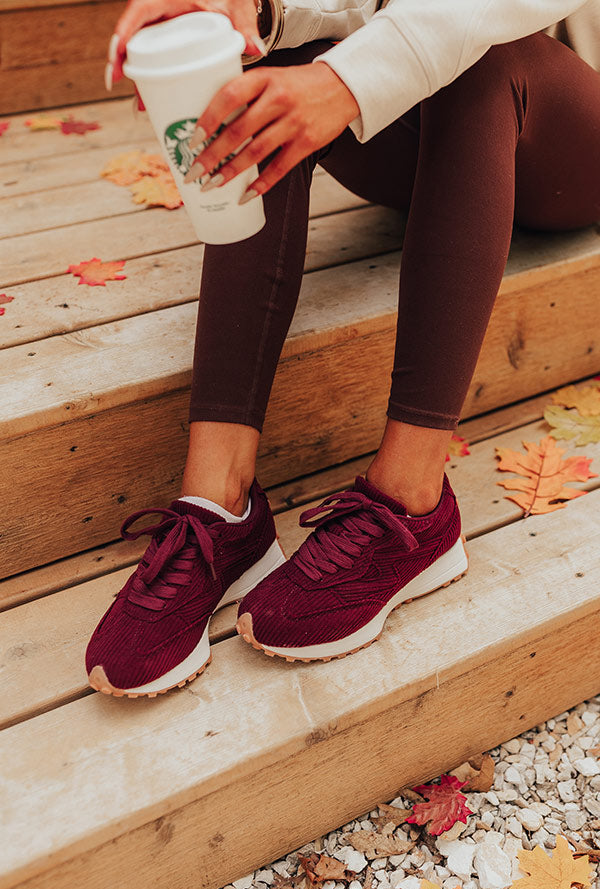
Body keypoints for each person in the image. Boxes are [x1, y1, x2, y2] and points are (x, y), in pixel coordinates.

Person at [85, 0, 600, 697]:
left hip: (563, 130)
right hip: (429, 122)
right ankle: (220, 508)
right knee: (276, 72)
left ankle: (415, 505)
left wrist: (350, 82)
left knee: (484, 56)